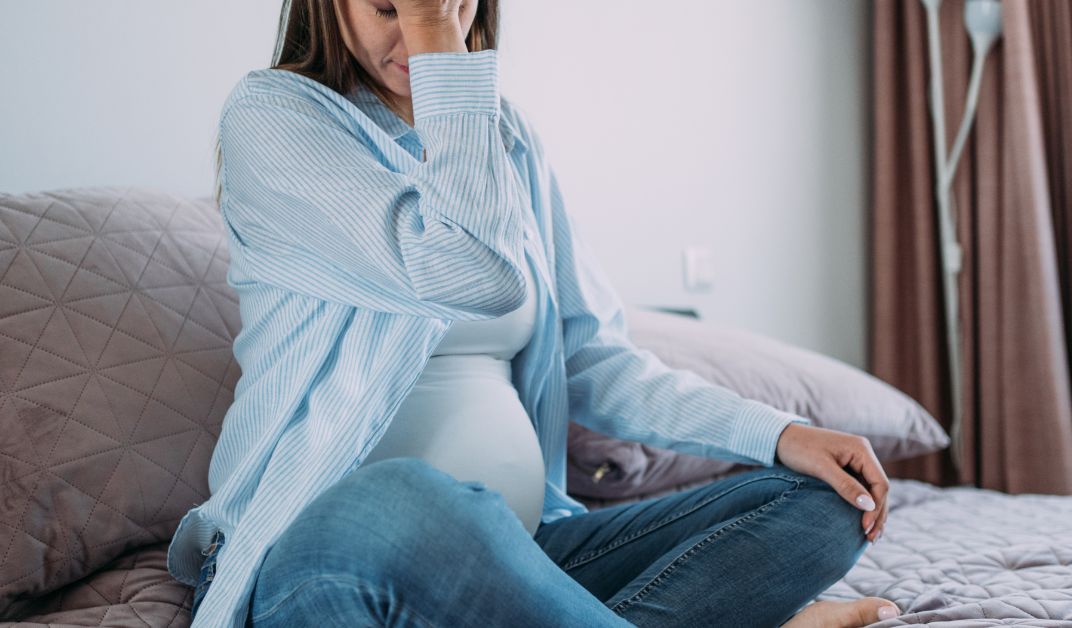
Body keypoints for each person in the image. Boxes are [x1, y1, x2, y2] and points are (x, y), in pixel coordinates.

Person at [168, 0, 902, 626]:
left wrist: (779, 433)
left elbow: (593, 360)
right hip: (323, 559)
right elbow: (469, 269)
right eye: (390, 7)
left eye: (448, 3)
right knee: (408, 496)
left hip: (527, 559)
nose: (421, 31)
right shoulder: (275, 115)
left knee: (830, 500)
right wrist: (439, 39)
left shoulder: (507, 141)